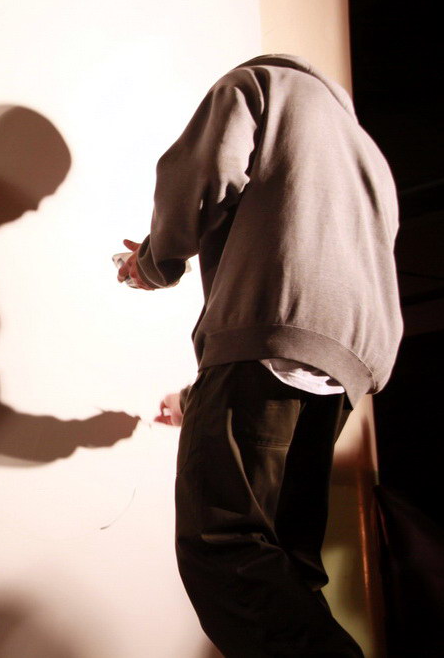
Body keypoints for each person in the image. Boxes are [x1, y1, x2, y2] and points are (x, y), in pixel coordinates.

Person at [117, 54, 402, 656]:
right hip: (343, 366)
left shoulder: (261, 84)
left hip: (273, 337)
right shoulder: (366, 153)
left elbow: (204, 172)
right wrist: (196, 400)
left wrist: (153, 262)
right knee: (287, 563)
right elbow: (305, 327)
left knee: (223, 548)